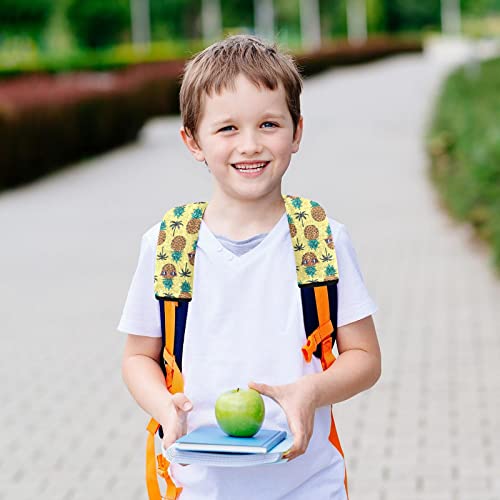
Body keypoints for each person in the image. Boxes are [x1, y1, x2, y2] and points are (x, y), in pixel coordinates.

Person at [119, 34, 381, 500]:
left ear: (297, 131)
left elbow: (364, 358)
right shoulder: (168, 243)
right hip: (198, 485)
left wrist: (312, 391)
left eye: (268, 124)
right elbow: (139, 356)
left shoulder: (320, 238)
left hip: (307, 482)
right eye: (227, 129)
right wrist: (165, 408)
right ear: (192, 140)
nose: (251, 145)